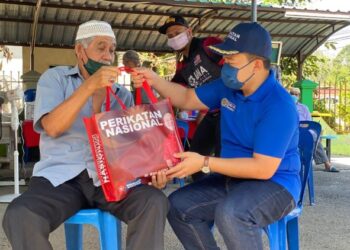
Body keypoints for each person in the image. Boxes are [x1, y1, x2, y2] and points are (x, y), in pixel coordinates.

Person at [2, 20, 169, 250]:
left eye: (111, 50)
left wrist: (151, 172)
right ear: (80, 51)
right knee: (19, 214)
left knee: (153, 201)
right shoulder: (55, 79)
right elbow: (52, 127)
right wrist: (89, 87)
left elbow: (130, 150)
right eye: (101, 48)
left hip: (110, 182)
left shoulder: (121, 94)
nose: (108, 56)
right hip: (60, 179)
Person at [132, 22, 300, 249]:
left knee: (231, 214)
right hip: (233, 180)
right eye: (225, 58)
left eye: (232, 60)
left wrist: (204, 162)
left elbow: (263, 168)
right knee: (179, 206)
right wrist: (154, 80)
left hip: (275, 184)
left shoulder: (279, 105)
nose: (226, 66)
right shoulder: (228, 87)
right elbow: (187, 98)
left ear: (257, 65)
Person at [159, 15, 223, 181]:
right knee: (194, 157)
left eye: (177, 33)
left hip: (231, 111)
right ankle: (202, 196)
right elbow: (171, 90)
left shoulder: (208, 45)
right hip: (212, 114)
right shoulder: (183, 66)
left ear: (189, 32)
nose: (174, 38)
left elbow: (234, 64)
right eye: (170, 36)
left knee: (225, 160)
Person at [290, 87, 339, 172]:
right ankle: (326, 164)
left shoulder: (304, 108)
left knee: (314, 135)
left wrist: (304, 126)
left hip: (304, 131)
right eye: (292, 94)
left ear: (299, 96)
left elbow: (309, 121)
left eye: (296, 94)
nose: (294, 96)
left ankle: (309, 159)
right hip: (292, 133)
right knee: (314, 139)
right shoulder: (287, 107)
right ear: (289, 95)